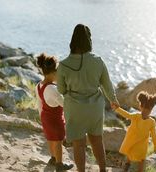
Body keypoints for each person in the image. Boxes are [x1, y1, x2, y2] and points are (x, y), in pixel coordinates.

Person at [57, 24, 119, 172]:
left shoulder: (63, 65)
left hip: (75, 108)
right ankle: (103, 170)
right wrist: (114, 100)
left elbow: (61, 89)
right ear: (89, 40)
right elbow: (107, 85)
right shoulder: (98, 61)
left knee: (78, 144)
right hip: (95, 108)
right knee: (97, 141)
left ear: (72, 40)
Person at [35, 53, 73, 172]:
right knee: (58, 142)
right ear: (53, 73)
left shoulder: (39, 85)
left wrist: (42, 117)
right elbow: (65, 104)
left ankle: (52, 158)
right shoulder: (53, 89)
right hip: (56, 119)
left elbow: (39, 103)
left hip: (45, 117)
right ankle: (59, 165)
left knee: (51, 139)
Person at [111, 91, 156, 172]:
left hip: (142, 145)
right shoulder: (136, 116)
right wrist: (117, 109)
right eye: (145, 108)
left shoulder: (152, 122)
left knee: (142, 160)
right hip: (132, 141)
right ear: (141, 107)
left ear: (151, 110)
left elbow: (154, 134)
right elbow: (126, 114)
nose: (146, 111)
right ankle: (127, 166)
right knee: (129, 153)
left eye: (149, 109)